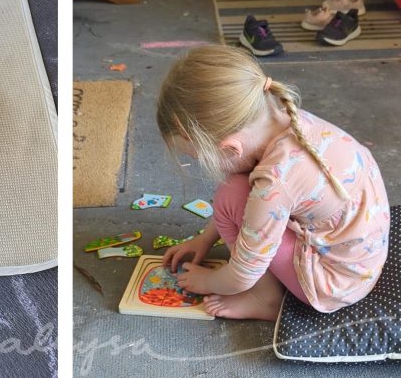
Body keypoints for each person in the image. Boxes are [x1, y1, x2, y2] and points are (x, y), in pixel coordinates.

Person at [158, 45, 389, 320]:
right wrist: (205, 238)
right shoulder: (288, 119)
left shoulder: (275, 182)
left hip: (333, 284)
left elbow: (243, 273)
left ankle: (265, 299)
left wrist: (209, 281)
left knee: (230, 194)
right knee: (238, 189)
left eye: (196, 157)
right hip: (360, 260)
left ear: (231, 148)